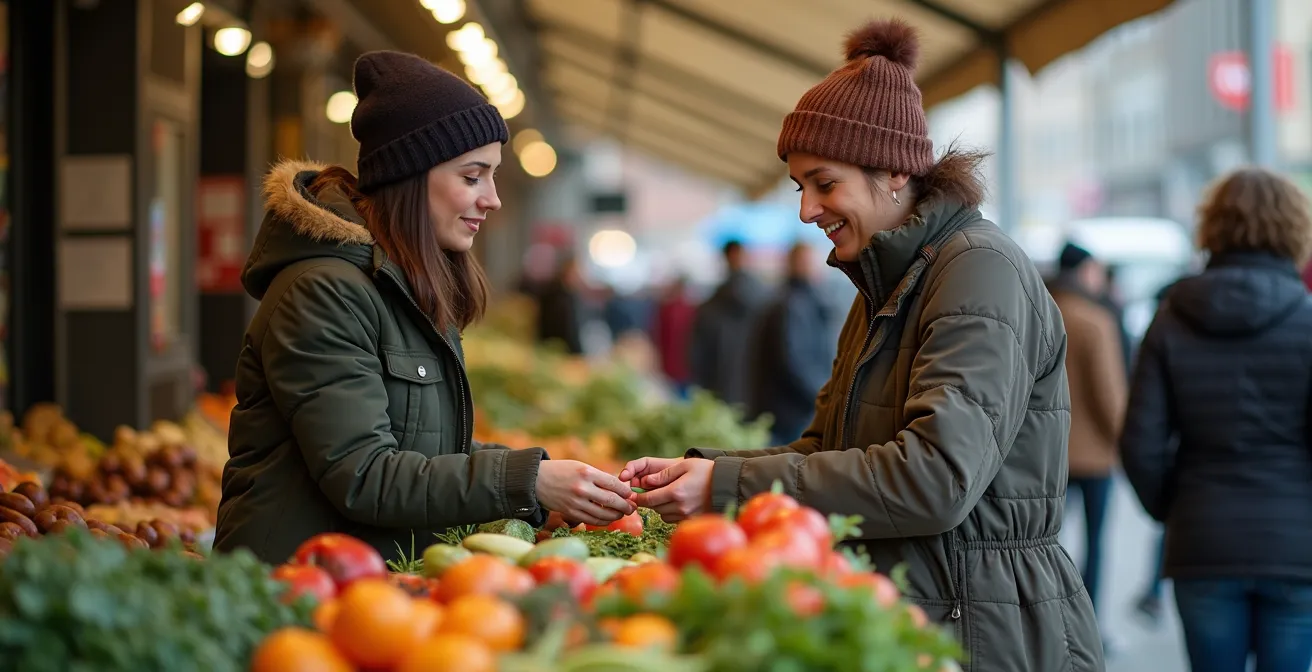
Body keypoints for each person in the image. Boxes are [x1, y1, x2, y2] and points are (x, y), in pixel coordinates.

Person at [621, 19, 1102, 671]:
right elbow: (827, 448)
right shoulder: (887, 283)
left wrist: (726, 486)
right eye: (800, 188)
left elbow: (935, 479)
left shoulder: (976, 271)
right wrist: (702, 471)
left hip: (985, 628)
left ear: (896, 171)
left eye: (824, 183)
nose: (806, 210)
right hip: (927, 609)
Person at [213, 51, 633, 565]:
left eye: (494, 177)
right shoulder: (323, 291)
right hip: (298, 590)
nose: (493, 199)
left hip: (371, 579)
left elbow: (426, 451)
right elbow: (366, 475)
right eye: (473, 176)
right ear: (411, 175)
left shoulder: (402, 286)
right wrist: (530, 480)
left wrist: (544, 480)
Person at [1120, 167, 1312, 672]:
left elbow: (1139, 443)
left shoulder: (1171, 316)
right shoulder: (1307, 318)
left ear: (1212, 227)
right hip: (1296, 546)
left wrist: (1175, 507)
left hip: (1202, 538)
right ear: (1294, 229)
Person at [1047, 243, 1128, 622]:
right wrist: (1125, 441)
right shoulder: (1096, 321)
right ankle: (1088, 621)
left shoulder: (1039, 312)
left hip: (1047, 454)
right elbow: (1109, 395)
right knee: (1095, 542)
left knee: (1044, 543)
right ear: (1083, 273)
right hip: (1094, 454)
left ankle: (1049, 619)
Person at [747, 242, 835, 445]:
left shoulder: (806, 300)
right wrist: (823, 395)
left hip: (795, 408)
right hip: (791, 411)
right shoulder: (792, 304)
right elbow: (793, 361)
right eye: (809, 262)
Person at [687, 240, 767, 407]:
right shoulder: (768, 301)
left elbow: (697, 355)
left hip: (720, 391)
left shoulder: (710, 305)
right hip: (761, 392)